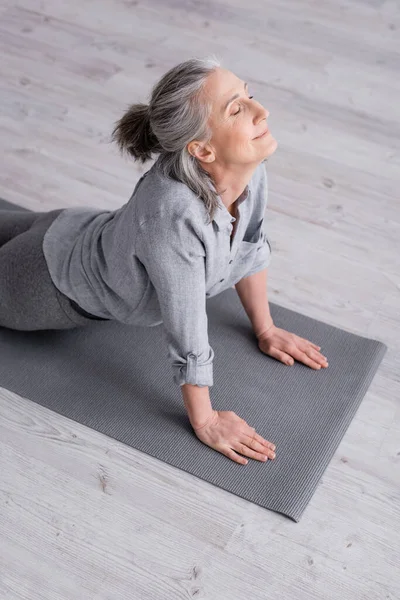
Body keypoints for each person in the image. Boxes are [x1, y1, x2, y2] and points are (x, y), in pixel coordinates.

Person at [0, 56, 327, 465]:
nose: (262, 111)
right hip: (42, 284)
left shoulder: (249, 167)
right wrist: (206, 420)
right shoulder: (174, 215)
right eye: (237, 108)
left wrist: (267, 329)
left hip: (69, 226)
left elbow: (249, 247)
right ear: (201, 148)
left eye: (250, 95)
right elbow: (186, 328)